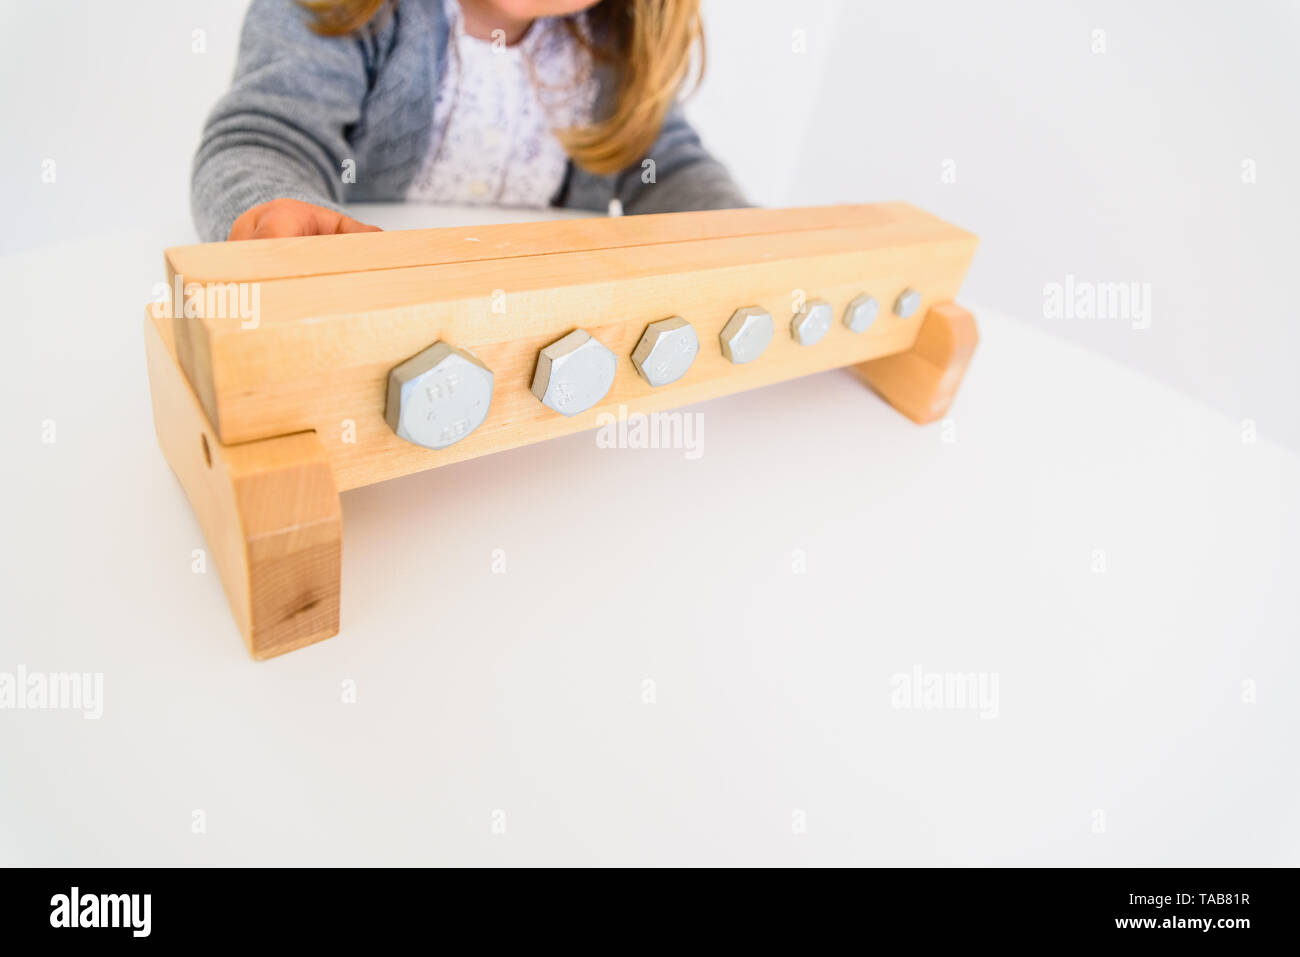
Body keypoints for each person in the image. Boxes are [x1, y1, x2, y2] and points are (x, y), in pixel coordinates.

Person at [191, 0, 749, 241]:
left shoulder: (618, 50)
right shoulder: (349, 10)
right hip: (369, 323)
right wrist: (273, 210)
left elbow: (670, 167)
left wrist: (744, 237)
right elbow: (267, 137)